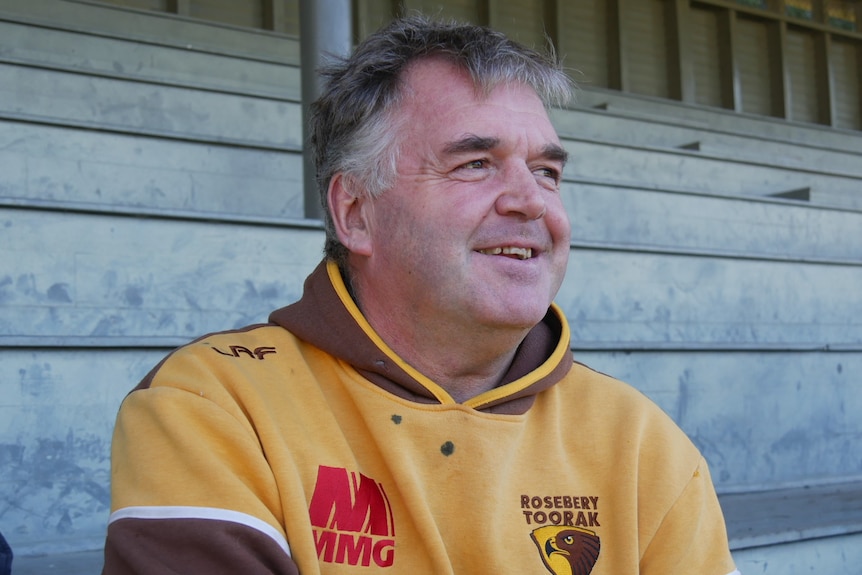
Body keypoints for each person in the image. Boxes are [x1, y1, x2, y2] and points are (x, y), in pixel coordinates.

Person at [103, 15, 739, 575]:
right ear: (355, 213)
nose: (530, 201)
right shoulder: (215, 404)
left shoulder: (642, 443)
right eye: (475, 164)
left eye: (547, 172)